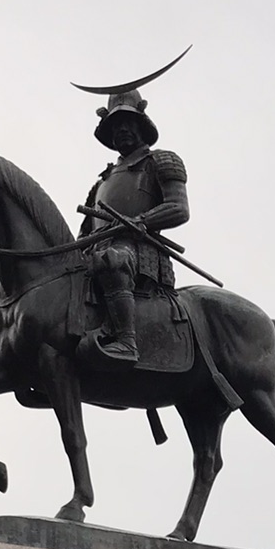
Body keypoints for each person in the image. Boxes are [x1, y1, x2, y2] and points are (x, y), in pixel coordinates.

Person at [77, 85, 190, 364]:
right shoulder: (102, 181)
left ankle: (127, 342)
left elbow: (178, 208)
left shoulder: (161, 160)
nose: (122, 130)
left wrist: (139, 221)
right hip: (97, 251)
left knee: (112, 260)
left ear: (142, 125)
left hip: (139, 251)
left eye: (128, 122)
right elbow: (85, 231)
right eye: (115, 125)